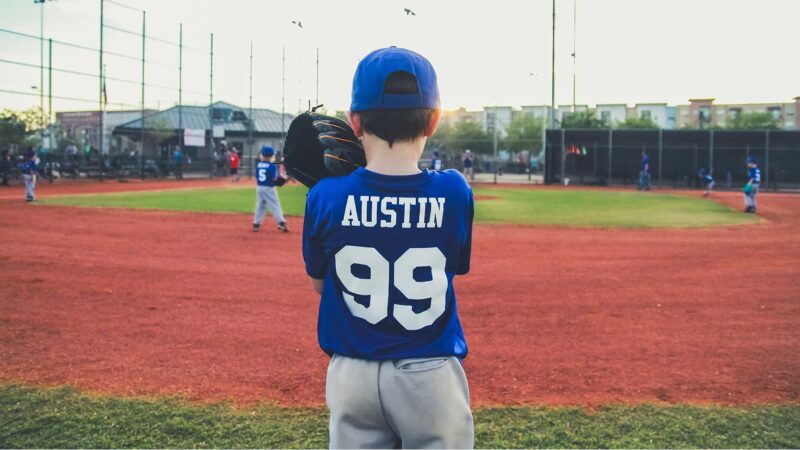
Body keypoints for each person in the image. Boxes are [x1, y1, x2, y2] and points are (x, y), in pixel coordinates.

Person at [302, 47, 475, 448]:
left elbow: (319, 284)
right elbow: (455, 267)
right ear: (434, 119)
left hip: (352, 374)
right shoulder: (454, 190)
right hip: (428, 372)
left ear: (354, 121)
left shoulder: (325, 195)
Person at [252, 146, 288, 233]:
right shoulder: (272, 166)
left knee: (260, 205)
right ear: (271, 156)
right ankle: (281, 223)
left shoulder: (259, 165)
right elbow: (275, 179)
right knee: (275, 205)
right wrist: (285, 179)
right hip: (269, 188)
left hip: (260, 187)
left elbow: (257, 177)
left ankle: (256, 224)